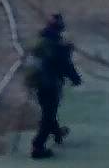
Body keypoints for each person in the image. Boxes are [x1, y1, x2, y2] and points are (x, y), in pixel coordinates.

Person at [25, 13, 82, 159]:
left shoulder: (42, 41)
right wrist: (76, 79)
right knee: (48, 114)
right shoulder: (56, 47)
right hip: (48, 84)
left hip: (37, 83)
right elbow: (65, 65)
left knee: (48, 109)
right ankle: (38, 147)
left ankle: (56, 132)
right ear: (59, 29)